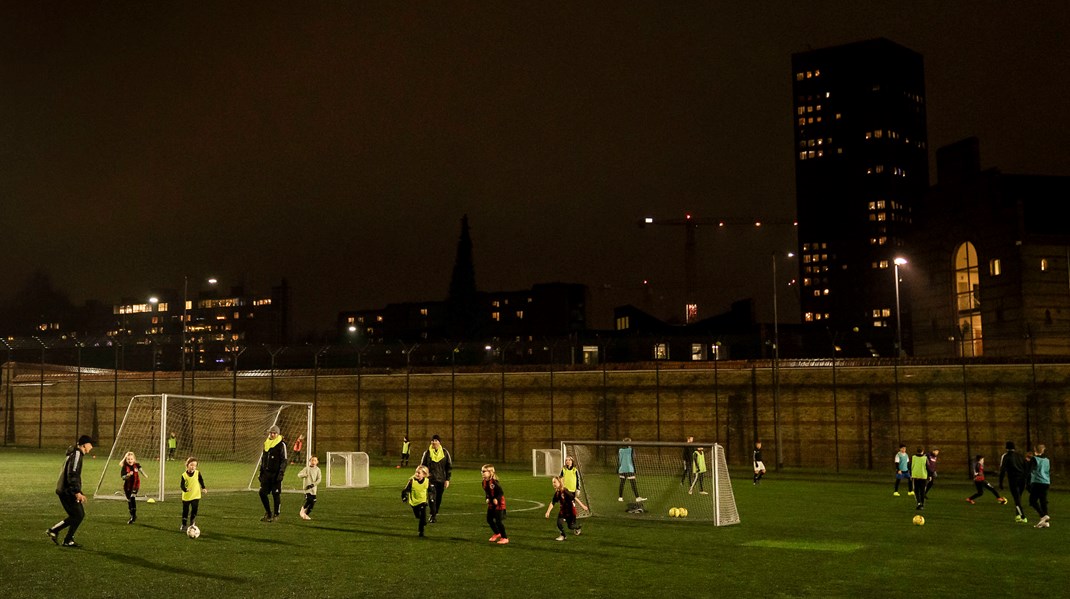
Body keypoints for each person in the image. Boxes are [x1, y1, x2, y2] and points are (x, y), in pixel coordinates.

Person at [46, 435, 94, 547]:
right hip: (67, 491)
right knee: (78, 515)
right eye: (90, 445)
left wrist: (79, 491)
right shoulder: (77, 454)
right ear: (84, 445)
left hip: (66, 490)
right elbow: (72, 473)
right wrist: (76, 492)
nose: (91, 447)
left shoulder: (75, 453)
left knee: (77, 515)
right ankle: (62, 536)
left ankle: (58, 533)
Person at [259, 424, 289, 522]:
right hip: (266, 474)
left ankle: (276, 514)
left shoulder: (281, 444)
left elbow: (284, 460)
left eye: (274, 433)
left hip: (275, 474)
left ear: (278, 434)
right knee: (262, 493)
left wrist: (281, 473)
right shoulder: (266, 443)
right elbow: (263, 459)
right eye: (271, 433)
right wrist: (261, 472)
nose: (272, 434)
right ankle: (268, 513)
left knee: (276, 494)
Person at [420, 434, 452, 523]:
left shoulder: (445, 453)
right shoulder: (427, 453)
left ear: (439, 442)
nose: (434, 442)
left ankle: (435, 512)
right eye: (433, 440)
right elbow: (422, 466)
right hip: (431, 480)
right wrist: (424, 475)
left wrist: (447, 479)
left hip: (441, 480)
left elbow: (448, 467)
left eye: (436, 440)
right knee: (431, 498)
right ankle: (432, 515)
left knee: (438, 498)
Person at [999, 440, 1029, 523]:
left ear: (1006, 448)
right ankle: (1017, 515)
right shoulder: (1020, 456)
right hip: (1022, 479)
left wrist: (1000, 482)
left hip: (1013, 479)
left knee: (1016, 499)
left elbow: (1002, 470)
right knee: (1019, 497)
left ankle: (1023, 516)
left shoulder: (1006, 456)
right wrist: (1026, 478)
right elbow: (1026, 467)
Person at [401, 465, 435, 537]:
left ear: (424, 474)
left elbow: (431, 491)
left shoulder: (427, 481)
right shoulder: (412, 481)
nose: (417, 474)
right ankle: (422, 520)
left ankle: (421, 531)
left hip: (422, 501)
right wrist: (404, 497)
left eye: (419, 473)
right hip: (413, 503)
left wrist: (431, 498)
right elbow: (405, 490)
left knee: (423, 514)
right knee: (418, 516)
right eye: (416, 472)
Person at [545, 476, 582, 540]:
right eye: (552, 482)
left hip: (570, 511)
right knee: (559, 523)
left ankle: (578, 527)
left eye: (554, 482)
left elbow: (574, 497)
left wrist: (582, 505)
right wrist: (548, 511)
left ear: (559, 482)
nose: (553, 484)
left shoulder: (565, 491)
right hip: (563, 511)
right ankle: (563, 535)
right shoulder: (557, 493)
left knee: (570, 526)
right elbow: (553, 502)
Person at [481, 464, 508, 545]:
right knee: (489, 519)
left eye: (484, 471)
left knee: (498, 521)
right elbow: (487, 492)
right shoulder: (484, 482)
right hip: (491, 504)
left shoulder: (495, 482)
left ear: (490, 472)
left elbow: (501, 493)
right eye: (481, 471)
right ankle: (497, 533)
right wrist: (487, 498)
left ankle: (505, 537)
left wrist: (497, 499)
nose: (482, 473)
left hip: (499, 504)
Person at [179, 457, 207, 532]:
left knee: (194, 509)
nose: (193, 467)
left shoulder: (197, 473)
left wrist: (203, 487)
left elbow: (201, 480)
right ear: (187, 465)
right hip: (186, 496)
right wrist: (185, 489)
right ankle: (184, 524)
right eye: (191, 465)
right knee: (185, 511)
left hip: (196, 495)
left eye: (194, 465)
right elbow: (181, 485)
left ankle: (192, 523)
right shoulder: (184, 475)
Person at [617, 438, 646, 503]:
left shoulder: (620, 450)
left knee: (622, 483)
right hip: (629, 469)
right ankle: (637, 497)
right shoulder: (631, 450)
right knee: (633, 484)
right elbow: (633, 458)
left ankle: (620, 497)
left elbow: (619, 460)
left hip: (622, 469)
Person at [120, 451, 146, 524]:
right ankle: (132, 514)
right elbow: (122, 477)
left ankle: (133, 516)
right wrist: (127, 475)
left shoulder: (136, 465)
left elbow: (141, 470)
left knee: (132, 497)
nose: (130, 460)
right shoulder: (125, 467)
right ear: (126, 460)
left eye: (131, 459)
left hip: (136, 484)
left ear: (134, 459)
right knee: (129, 500)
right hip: (127, 486)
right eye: (128, 459)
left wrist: (144, 474)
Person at [1029, 444, 1051, 528]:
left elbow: (1030, 470)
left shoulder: (1034, 459)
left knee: (1032, 501)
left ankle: (1043, 516)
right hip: (1046, 482)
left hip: (1037, 482)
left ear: (1035, 449)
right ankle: (1045, 522)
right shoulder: (1047, 460)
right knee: (1043, 501)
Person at [297, 455, 321, 520]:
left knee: (313, 502)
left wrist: (313, 484)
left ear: (317, 462)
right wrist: (304, 475)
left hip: (313, 489)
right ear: (310, 461)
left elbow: (319, 479)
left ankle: (306, 514)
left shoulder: (318, 470)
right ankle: (302, 511)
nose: (313, 462)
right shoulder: (306, 469)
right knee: (309, 500)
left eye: (315, 460)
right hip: (307, 488)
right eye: (312, 460)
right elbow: (299, 474)